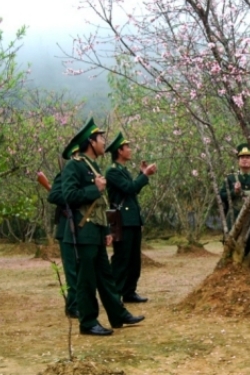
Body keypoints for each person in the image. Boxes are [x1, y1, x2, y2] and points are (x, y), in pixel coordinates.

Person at [61, 118, 145, 336]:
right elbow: (68, 195)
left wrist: (107, 230)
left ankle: (118, 314)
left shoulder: (93, 165)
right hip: (83, 231)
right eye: (100, 139)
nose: (103, 142)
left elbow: (101, 204)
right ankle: (88, 322)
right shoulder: (74, 165)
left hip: (97, 230)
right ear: (91, 141)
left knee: (106, 276)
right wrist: (94, 189)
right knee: (86, 279)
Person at [105, 132, 157, 304]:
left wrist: (141, 174)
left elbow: (132, 190)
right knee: (122, 258)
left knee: (134, 259)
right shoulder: (112, 171)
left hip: (132, 219)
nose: (130, 150)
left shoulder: (123, 171)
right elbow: (129, 188)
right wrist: (145, 175)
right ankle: (114, 294)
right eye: (127, 147)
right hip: (122, 221)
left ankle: (129, 291)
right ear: (120, 151)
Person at [47, 147, 79, 319]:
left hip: (79, 226)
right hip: (66, 226)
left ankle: (78, 302)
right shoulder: (66, 173)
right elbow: (53, 196)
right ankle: (73, 305)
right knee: (72, 270)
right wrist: (72, 197)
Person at [219, 143, 250, 255]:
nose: (244, 160)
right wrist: (234, 192)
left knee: (248, 249)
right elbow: (221, 196)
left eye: (248, 157)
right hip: (233, 221)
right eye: (242, 157)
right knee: (230, 251)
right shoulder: (230, 178)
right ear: (238, 161)